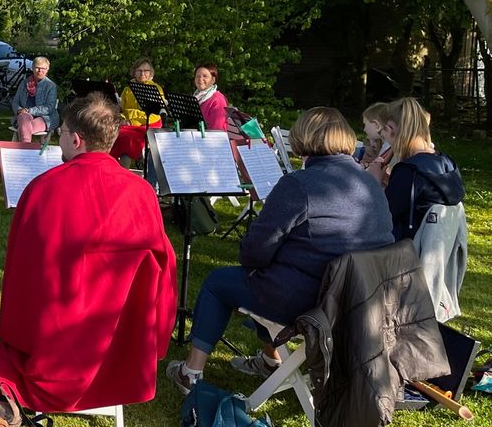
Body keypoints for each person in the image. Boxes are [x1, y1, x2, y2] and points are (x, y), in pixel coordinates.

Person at [166, 107, 395, 393]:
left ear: (302, 140)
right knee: (276, 275)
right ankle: (270, 358)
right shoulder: (370, 182)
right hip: (362, 301)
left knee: (219, 283)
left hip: (314, 301)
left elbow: (253, 253)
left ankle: (191, 371)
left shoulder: (298, 184)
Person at [0, 94, 177, 411]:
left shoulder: (43, 188)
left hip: (55, 347)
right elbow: (163, 273)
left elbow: (21, 275)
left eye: (61, 133)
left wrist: (16, 334)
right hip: (121, 349)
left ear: (76, 139)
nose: (58, 138)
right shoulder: (142, 192)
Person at [381, 97, 464, 241]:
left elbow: (383, 217)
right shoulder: (448, 163)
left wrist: (374, 184)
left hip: (405, 252)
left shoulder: (409, 171)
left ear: (390, 129)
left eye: (385, 137)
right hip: (438, 248)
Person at [111, 57, 164, 166]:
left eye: (146, 71)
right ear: (134, 72)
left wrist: (132, 119)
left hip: (149, 123)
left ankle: (124, 171)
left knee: (126, 138)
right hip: (128, 124)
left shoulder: (155, 88)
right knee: (110, 133)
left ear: (151, 73)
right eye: (139, 70)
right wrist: (122, 118)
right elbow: (122, 109)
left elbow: (155, 114)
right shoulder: (127, 89)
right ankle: (112, 168)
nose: (142, 73)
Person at [11, 56, 58, 143]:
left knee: (25, 127)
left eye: (43, 68)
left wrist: (29, 111)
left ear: (47, 70)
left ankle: (24, 150)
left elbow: (49, 108)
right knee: (24, 119)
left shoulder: (50, 86)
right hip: (24, 116)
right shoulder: (24, 83)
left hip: (45, 118)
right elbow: (15, 101)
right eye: (37, 68)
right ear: (32, 68)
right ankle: (27, 150)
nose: (40, 71)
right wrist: (19, 110)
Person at [356, 102, 392, 186]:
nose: (364, 129)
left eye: (365, 124)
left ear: (376, 125)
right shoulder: (385, 146)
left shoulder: (388, 148)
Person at [193, 63, 228, 132]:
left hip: (212, 140)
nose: (200, 79)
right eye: (198, 76)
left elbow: (216, 130)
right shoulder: (195, 98)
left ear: (213, 80)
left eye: (205, 76)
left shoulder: (217, 100)